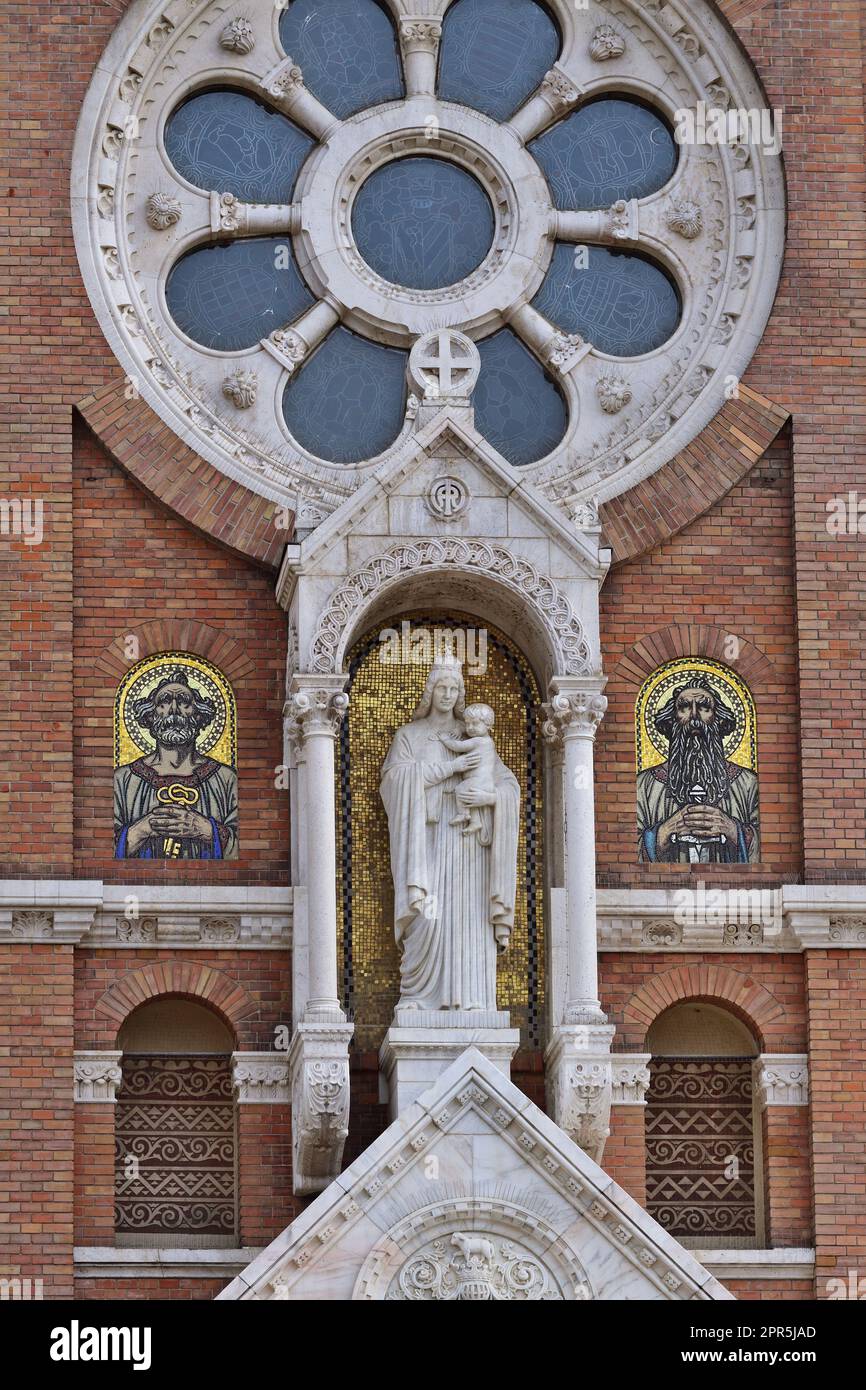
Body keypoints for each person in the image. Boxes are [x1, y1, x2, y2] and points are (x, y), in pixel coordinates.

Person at [380, 660, 519, 1011]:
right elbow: (394, 780)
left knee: (468, 914)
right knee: (428, 913)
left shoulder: (473, 734)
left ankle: (473, 999)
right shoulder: (409, 736)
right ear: (430, 691)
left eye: (454, 688)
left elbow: (505, 783)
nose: (447, 694)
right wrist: (449, 769)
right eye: (441, 687)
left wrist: (490, 799)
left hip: (467, 841)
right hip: (424, 837)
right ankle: (418, 996)